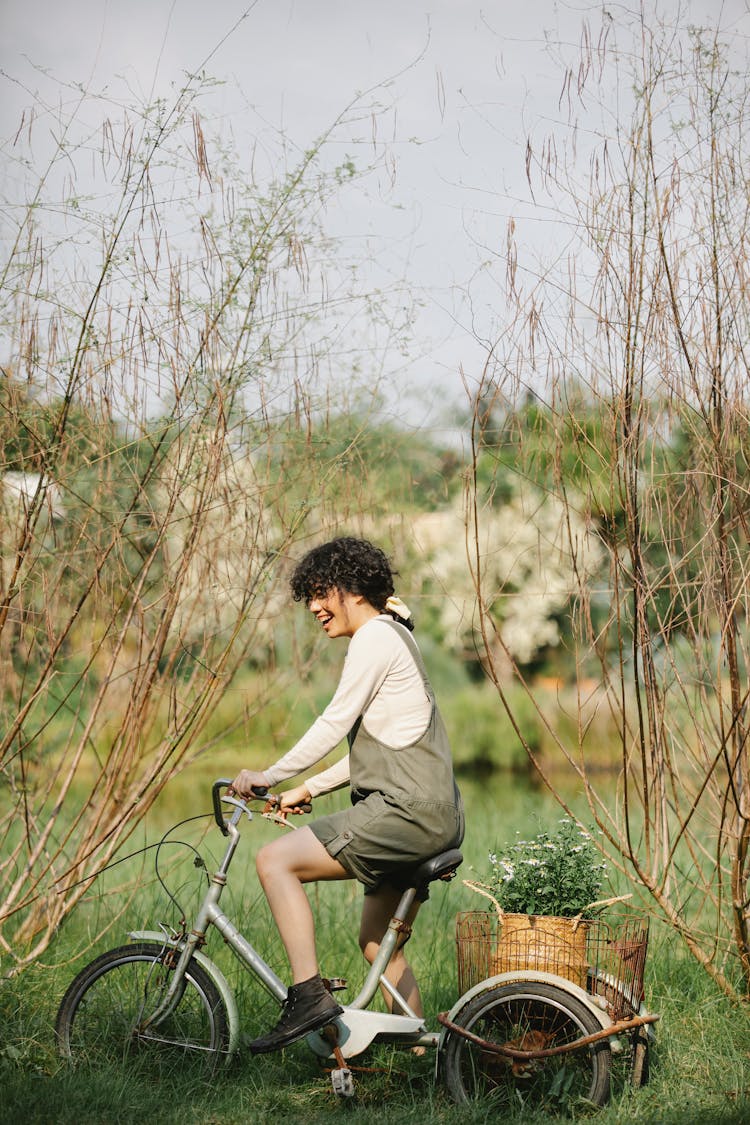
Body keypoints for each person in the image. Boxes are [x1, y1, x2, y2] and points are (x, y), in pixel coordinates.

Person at [230, 536, 464, 1054]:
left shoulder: (375, 639)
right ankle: (419, 1053)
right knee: (377, 943)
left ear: (350, 589)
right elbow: (376, 749)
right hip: (432, 813)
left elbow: (335, 721)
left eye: (320, 593)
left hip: (405, 813)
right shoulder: (397, 637)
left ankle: (308, 995)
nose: (314, 607)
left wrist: (267, 774)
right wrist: (306, 788)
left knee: (274, 861)